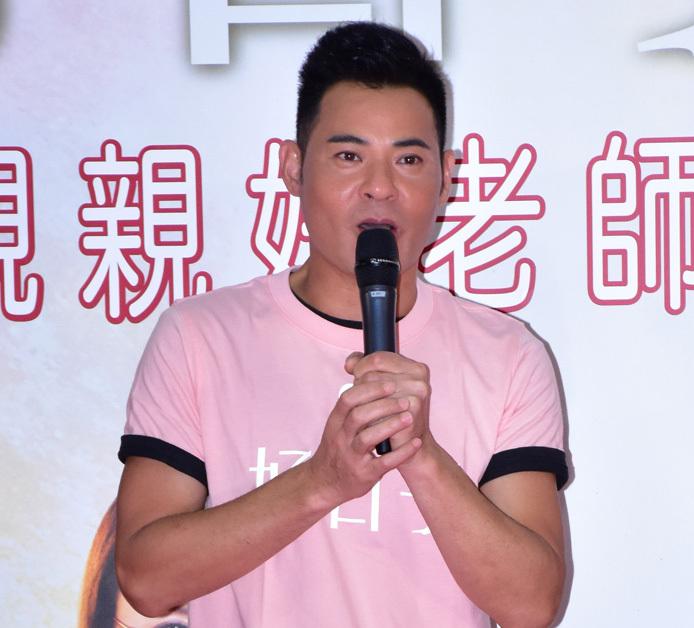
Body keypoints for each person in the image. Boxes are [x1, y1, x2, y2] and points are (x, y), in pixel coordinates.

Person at [113, 22, 568, 627]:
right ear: (293, 167)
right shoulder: (200, 337)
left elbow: (531, 605)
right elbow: (146, 580)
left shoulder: (508, 355)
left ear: (447, 178)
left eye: (409, 159)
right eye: (349, 156)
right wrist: (322, 481)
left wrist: (421, 454)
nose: (380, 188)